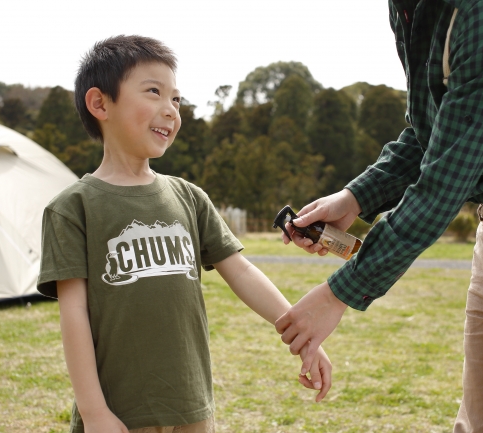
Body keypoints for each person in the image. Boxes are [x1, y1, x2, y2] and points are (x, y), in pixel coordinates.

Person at [275, 1, 483, 432]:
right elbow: (433, 132)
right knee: (477, 423)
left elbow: (443, 184)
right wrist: (354, 197)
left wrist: (338, 294)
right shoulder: (409, 8)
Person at [37, 35, 332, 433]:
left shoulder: (189, 198)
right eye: (154, 92)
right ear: (100, 103)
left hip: (192, 407)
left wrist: (303, 337)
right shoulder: (73, 208)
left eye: (176, 99)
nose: (171, 110)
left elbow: (242, 273)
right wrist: (94, 413)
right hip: (120, 414)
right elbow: (73, 313)